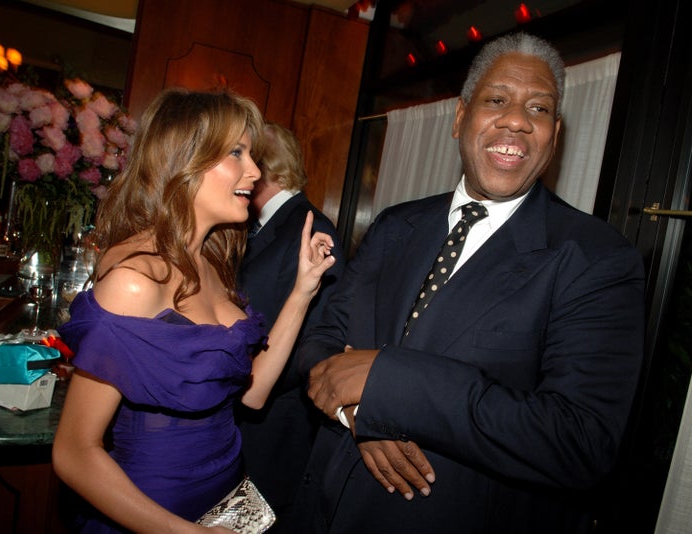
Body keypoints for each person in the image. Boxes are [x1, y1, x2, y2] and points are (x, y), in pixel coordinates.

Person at [293, 32, 645, 533]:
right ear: (461, 118)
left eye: (539, 109)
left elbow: (579, 440)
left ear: (555, 133)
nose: (518, 120)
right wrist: (360, 416)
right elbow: (322, 339)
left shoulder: (595, 260)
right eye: (497, 99)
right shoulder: (396, 224)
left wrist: (389, 384)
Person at [51, 88, 336, 534]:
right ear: (186, 158)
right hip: (154, 516)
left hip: (229, 503)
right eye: (237, 153)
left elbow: (254, 392)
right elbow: (74, 452)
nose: (255, 172)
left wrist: (303, 290)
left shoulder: (213, 262)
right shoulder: (134, 280)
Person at [235, 122, 345, 532]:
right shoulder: (259, 227)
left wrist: (233, 383)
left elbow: (317, 340)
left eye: (244, 156)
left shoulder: (312, 230)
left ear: (264, 168)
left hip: (272, 429)